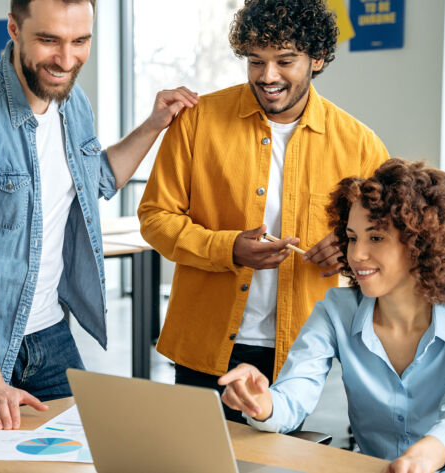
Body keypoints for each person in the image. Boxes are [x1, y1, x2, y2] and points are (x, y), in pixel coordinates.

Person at [0, 0, 198, 430]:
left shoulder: (71, 102)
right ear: (14, 28)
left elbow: (96, 178)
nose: (66, 60)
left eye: (80, 41)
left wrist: (154, 124)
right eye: (49, 41)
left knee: (77, 458)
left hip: (47, 331)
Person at [137, 0, 388, 422]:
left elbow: (388, 239)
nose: (267, 76)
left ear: (318, 59)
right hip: (204, 343)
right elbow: (156, 217)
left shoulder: (360, 145)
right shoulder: (197, 122)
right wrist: (228, 249)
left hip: (300, 351)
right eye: (256, 61)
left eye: (285, 61)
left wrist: (348, 251)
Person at [219, 159, 445, 473]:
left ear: (420, 243)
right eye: (352, 237)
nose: (356, 254)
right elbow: (295, 392)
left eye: (376, 238)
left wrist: (422, 459)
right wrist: (262, 404)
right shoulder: (335, 311)